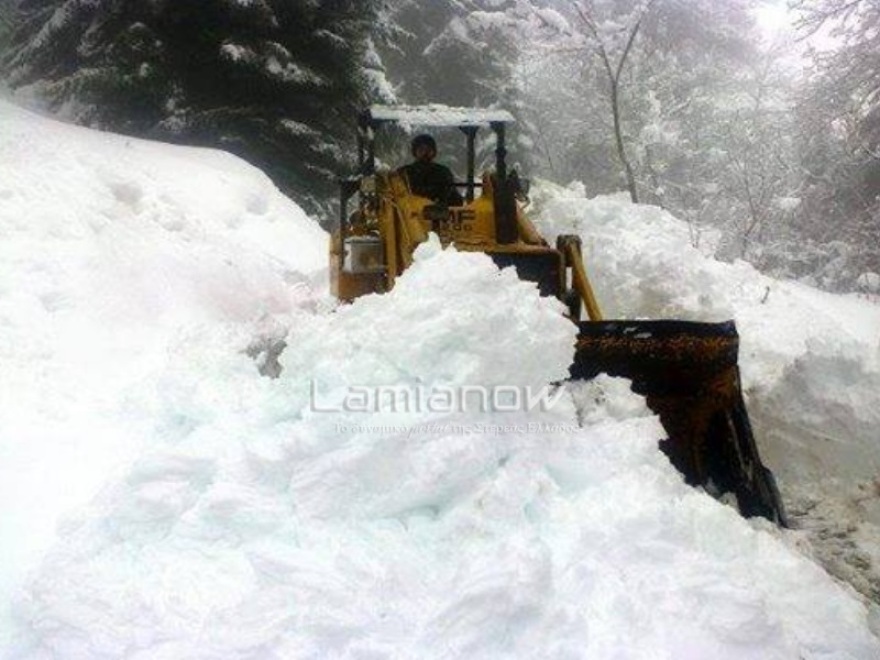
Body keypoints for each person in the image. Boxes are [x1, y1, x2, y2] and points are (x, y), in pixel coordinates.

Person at [397, 134, 463, 206]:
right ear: (414, 152)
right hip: (410, 210)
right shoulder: (404, 172)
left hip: (438, 210)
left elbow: (453, 197)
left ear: (434, 152)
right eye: (421, 150)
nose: (425, 153)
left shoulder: (443, 172)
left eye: (429, 150)